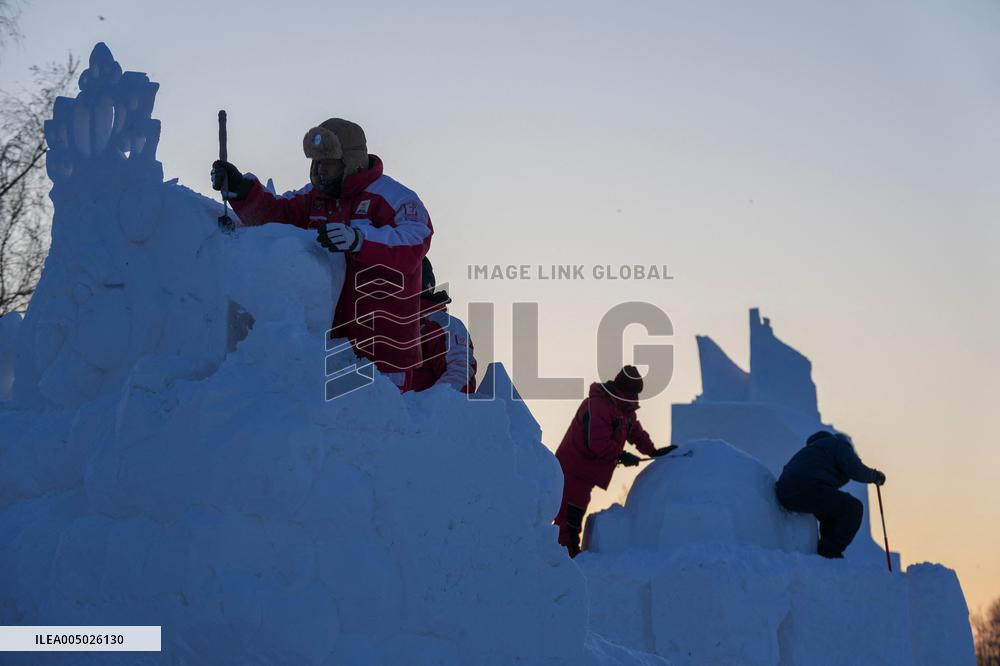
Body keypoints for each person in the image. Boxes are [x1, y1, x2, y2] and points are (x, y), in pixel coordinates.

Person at [211, 118, 432, 391]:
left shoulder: (393, 197)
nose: (319, 171)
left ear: (350, 161)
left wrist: (359, 240)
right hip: (329, 343)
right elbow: (278, 214)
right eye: (315, 163)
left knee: (377, 423)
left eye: (327, 163)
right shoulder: (315, 197)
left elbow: (414, 241)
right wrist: (242, 191)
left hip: (383, 348)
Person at [553, 366, 676, 557]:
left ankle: (569, 557)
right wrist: (621, 455)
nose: (635, 397)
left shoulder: (624, 411)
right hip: (571, 471)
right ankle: (563, 561)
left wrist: (653, 450)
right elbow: (597, 443)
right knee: (569, 519)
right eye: (633, 392)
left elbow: (636, 432)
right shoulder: (598, 405)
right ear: (623, 389)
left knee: (575, 515)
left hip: (585, 474)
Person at [775, 430, 886, 559]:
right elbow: (855, 468)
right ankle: (829, 552)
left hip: (785, 493)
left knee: (833, 511)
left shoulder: (810, 452)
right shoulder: (837, 445)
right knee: (852, 507)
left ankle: (826, 551)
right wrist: (875, 476)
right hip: (807, 487)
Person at [410, 258, 477, 393]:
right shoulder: (373, 325)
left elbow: (460, 375)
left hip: (413, 412)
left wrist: (422, 408)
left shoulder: (440, 323)